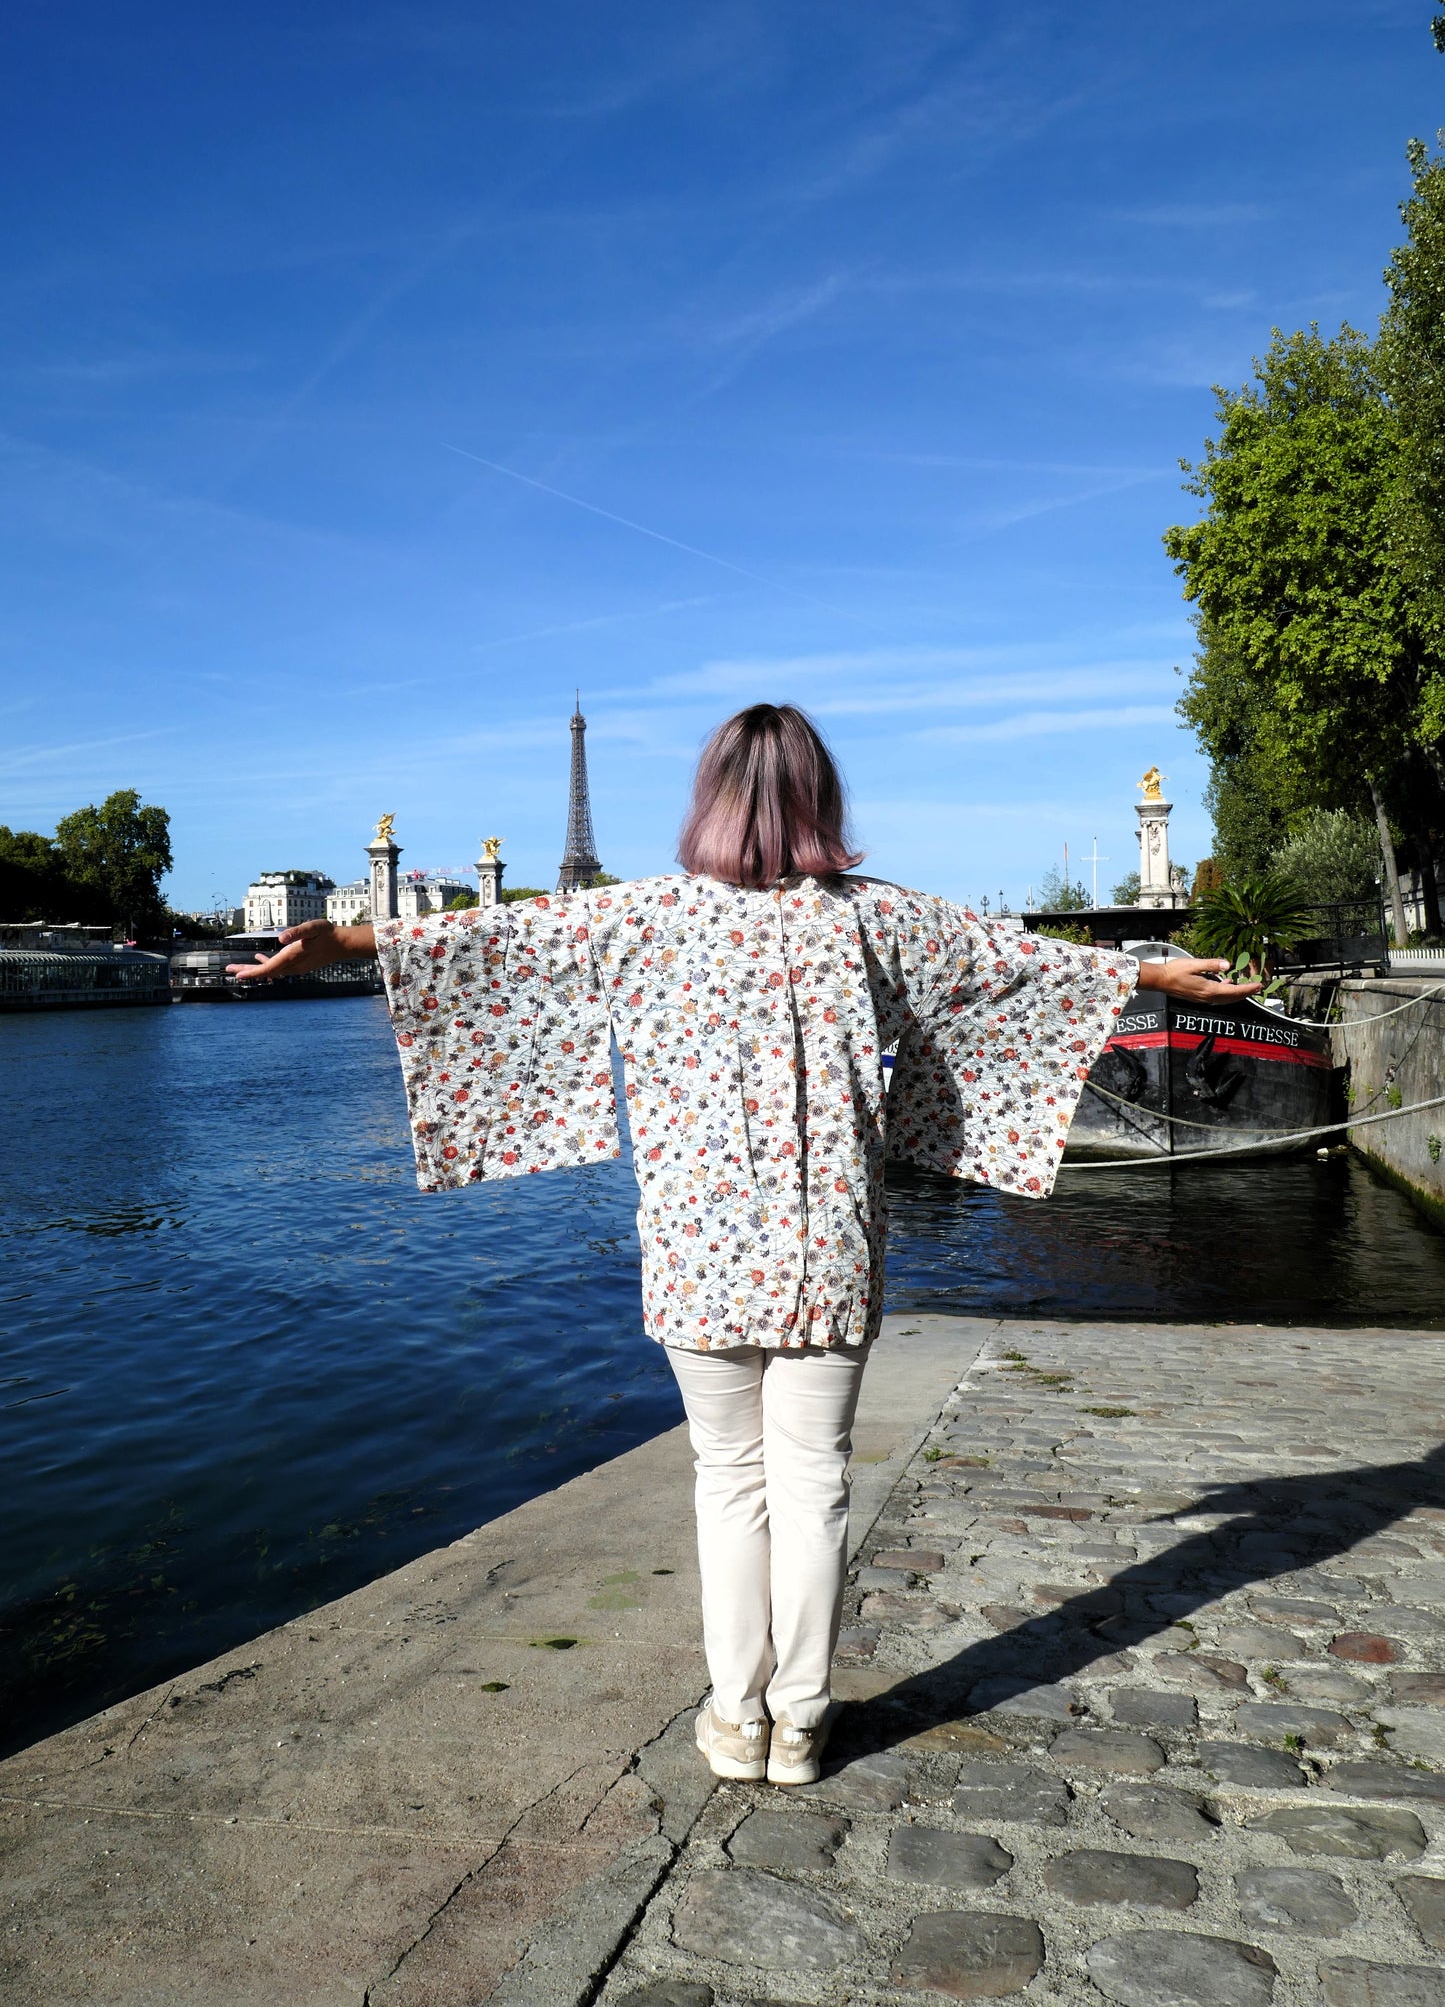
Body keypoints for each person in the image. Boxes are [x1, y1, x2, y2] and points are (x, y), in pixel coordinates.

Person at [230, 704, 1262, 1787]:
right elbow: (1018, 965)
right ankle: (803, 1718)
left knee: (727, 1483)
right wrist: (1154, 975)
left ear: (709, 795)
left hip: (697, 1252)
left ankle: (736, 1716)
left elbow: (491, 942)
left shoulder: (642, 916)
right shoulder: (879, 918)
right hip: (832, 1244)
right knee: (814, 1484)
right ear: (818, 796)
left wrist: (341, 939)